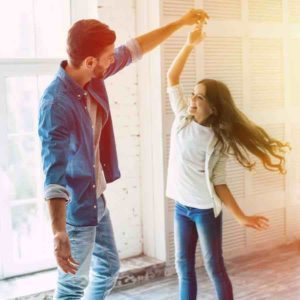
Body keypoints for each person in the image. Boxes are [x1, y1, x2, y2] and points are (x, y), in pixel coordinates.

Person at [38, 8, 209, 300]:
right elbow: (53, 175)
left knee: (108, 269)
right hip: (76, 209)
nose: (112, 60)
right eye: (107, 58)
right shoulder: (56, 105)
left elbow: (136, 48)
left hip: (96, 198)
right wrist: (58, 232)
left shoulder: (92, 75)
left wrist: (180, 23)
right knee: (70, 288)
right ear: (90, 61)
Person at [166, 22, 291, 300]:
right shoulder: (182, 118)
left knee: (213, 265)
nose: (193, 99)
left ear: (213, 107)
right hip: (181, 207)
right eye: (194, 94)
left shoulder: (217, 140)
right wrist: (188, 44)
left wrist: (241, 216)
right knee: (183, 265)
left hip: (205, 210)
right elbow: (172, 77)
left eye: (200, 97)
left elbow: (219, 182)